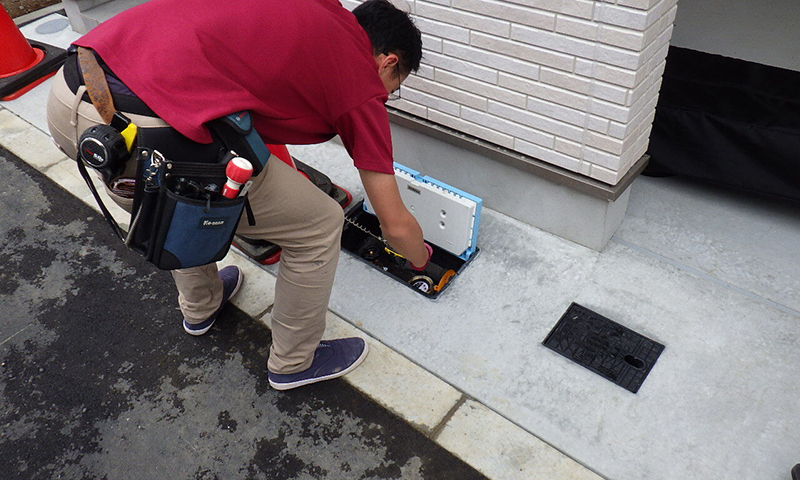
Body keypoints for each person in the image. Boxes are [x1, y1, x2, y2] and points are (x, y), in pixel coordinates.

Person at [45, 0, 429, 390]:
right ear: (388, 62)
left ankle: (201, 306)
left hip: (71, 94)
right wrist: (421, 260)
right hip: (144, 134)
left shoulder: (316, 12)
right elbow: (394, 226)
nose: (386, 95)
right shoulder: (359, 78)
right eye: (394, 86)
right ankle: (295, 361)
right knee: (319, 223)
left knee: (174, 201)